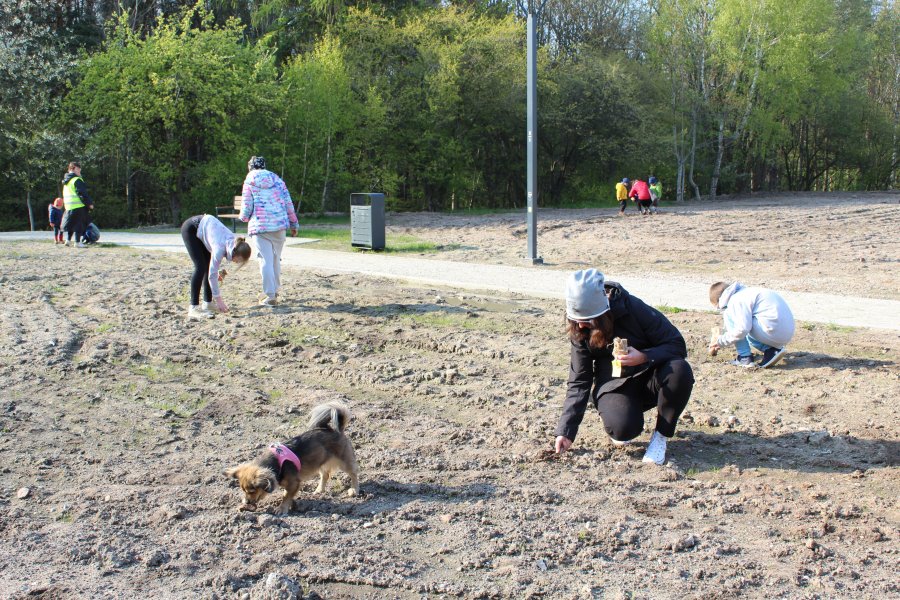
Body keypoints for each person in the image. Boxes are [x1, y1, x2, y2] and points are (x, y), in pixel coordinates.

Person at [555, 269, 694, 465]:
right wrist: (566, 431)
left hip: (650, 375)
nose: (581, 326)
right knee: (622, 431)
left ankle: (660, 437)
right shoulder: (578, 327)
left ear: (603, 312)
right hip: (613, 383)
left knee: (680, 370)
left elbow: (676, 344)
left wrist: (644, 356)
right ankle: (625, 417)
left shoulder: (633, 308)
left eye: (586, 321)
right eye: (576, 320)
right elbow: (579, 379)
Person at [240, 156, 299, 306]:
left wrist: (244, 218)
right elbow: (288, 203)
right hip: (279, 226)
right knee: (275, 259)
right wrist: (294, 224)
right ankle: (275, 289)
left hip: (260, 227)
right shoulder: (278, 181)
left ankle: (270, 295)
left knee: (265, 259)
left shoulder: (249, 182)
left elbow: (246, 208)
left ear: (250, 168)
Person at [180, 214, 252, 320]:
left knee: (208, 266)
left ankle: (207, 303)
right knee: (200, 267)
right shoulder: (220, 248)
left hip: (203, 228)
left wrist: (215, 271)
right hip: (191, 228)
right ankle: (193, 308)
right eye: (238, 260)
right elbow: (212, 276)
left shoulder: (234, 243)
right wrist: (219, 301)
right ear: (235, 253)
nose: (237, 263)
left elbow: (212, 270)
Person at [708, 282, 795, 369]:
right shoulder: (747, 292)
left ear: (721, 300)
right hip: (786, 331)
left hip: (774, 331)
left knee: (730, 317)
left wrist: (721, 341)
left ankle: (745, 357)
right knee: (744, 322)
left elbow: (741, 330)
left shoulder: (736, 301)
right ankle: (771, 350)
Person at [61, 162, 93, 248]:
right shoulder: (76, 180)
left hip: (68, 206)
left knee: (71, 224)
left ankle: (67, 240)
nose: (80, 171)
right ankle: (77, 242)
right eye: (79, 169)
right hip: (78, 205)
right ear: (73, 168)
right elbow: (82, 193)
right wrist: (89, 203)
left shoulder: (66, 180)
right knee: (79, 224)